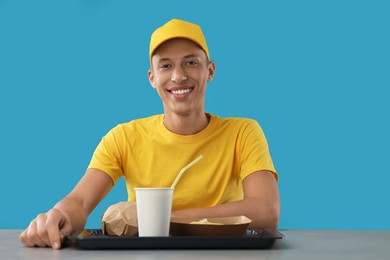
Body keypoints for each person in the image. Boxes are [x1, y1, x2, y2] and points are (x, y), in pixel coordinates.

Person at [19, 19, 280, 250]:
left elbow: (266, 210)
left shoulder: (242, 132)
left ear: (209, 71)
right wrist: (57, 216)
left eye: (191, 62)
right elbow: (79, 201)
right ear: (152, 78)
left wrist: (160, 219)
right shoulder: (123, 137)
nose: (178, 76)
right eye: (166, 66)